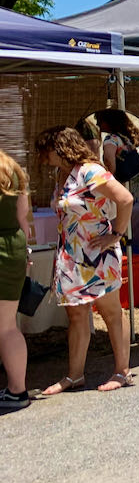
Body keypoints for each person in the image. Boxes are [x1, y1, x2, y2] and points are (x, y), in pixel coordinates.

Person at [34, 126, 134, 394]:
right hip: (71, 256)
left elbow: (125, 199)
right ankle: (74, 375)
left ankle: (122, 372)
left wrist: (117, 234)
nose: (43, 158)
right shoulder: (62, 175)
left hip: (96, 254)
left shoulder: (90, 171)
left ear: (59, 148)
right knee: (77, 315)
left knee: (111, 313)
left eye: (45, 151)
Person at [0, 149, 35, 412]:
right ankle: (17, 389)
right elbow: (24, 216)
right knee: (8, 326)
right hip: (13, 248)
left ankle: (16, 391)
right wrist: (27, 252)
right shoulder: (12, 168)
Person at [97, 108, 139, 182]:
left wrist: (109, 181)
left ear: (109, 121)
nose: (97, 123)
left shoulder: (111, 139)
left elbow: (109, 161)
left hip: (122, 181)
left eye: (100, 121)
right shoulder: (132, 136)